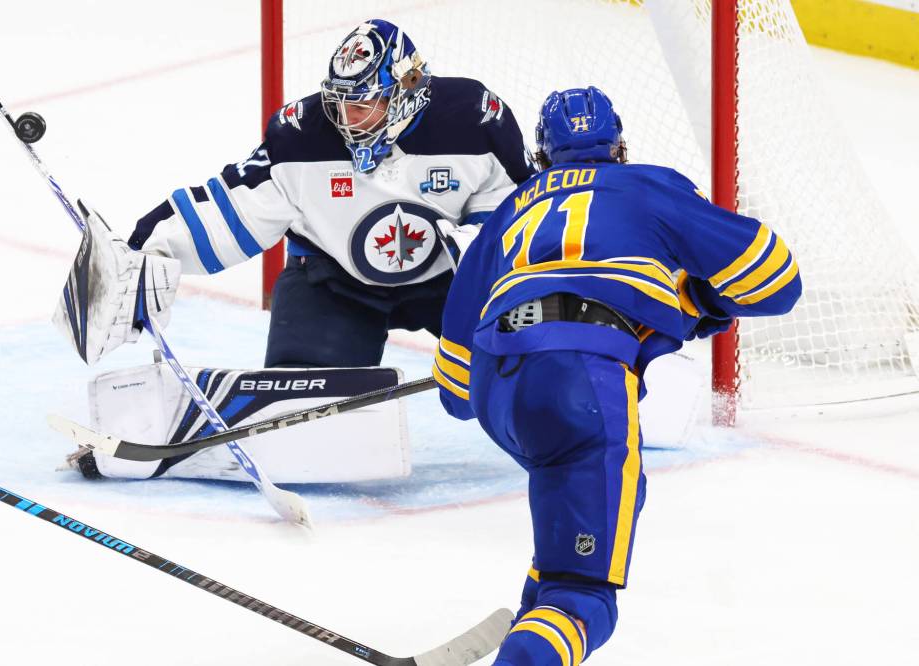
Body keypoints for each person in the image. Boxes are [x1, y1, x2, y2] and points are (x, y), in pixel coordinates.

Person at [433, 87, 801, 665]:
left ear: (542, 156)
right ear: (619, 147)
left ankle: (534, 631)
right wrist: (699, 299)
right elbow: (777, 280)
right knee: (583, 600)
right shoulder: (647, 185)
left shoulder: (511, 208)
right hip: (581, 376)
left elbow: (454, 391)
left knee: (575, 535)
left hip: (496, 383)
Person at [123, 18, 535, 368]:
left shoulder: (474, 118)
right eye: (338, 103)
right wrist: (147, 253)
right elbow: (234, 207)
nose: (344, 119)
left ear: (405, 91)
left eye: (360, 106)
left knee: (536, 361)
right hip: (333, 283)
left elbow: (517, 201)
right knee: (304, 406)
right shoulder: (303, 135)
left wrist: (481, 247)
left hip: (451, 282)